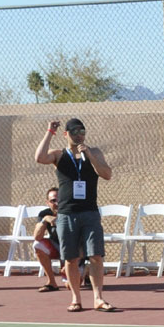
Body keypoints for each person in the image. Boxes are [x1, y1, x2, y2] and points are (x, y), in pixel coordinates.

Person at [35, 118, 115, 312]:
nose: (79, 135)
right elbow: (39, 157)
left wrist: (90, 155)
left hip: (90, 212)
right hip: (67, 214)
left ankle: (98, 298)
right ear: (66, 135)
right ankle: (76, 299)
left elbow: (107, 174)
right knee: (70, 258)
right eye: (74, 132)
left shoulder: (93, 152)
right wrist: (49, 132)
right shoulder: (58, 155)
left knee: (96, 255)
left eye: (82, 131)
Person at [33, 187, 64, 292]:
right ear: (48, 203)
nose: (57, 203)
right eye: (53, 201)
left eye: (60, 199)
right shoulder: (44, 213)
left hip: (73, 249)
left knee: (70, 284)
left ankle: (86, 270)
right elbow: (37, 237)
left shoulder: (71, 212)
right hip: (56, 246)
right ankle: (51, 282)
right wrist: (45, 220)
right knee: (37, 245)